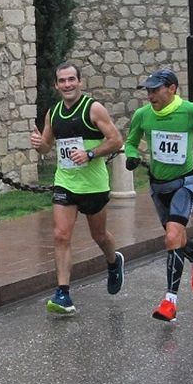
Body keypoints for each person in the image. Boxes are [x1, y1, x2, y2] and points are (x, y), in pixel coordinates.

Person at [122, 69, 193, 323]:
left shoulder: (191, 111)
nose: (150, 95)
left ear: (172, 88)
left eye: (155, 90)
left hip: (184, 183)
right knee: (176, 237)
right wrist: (132, 156)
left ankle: (170, 302)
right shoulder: (142, 115)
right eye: (148, 91)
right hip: (158, 187)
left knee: (171, 237)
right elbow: (131, 141)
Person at [28, 62, 125, 314]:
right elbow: (47, 146)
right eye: (62, 81)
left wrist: (90, 153)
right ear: (56, 85)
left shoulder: (93, 109)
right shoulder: (54, 112)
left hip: (93, 184)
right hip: (65, 181)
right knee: (61, 235)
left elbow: (116, 140)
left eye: (72, 79)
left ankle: (114, 262)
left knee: (99, 235)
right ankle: (63, 294)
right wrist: (38, 143)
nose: (67, 85)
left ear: (80, 82)